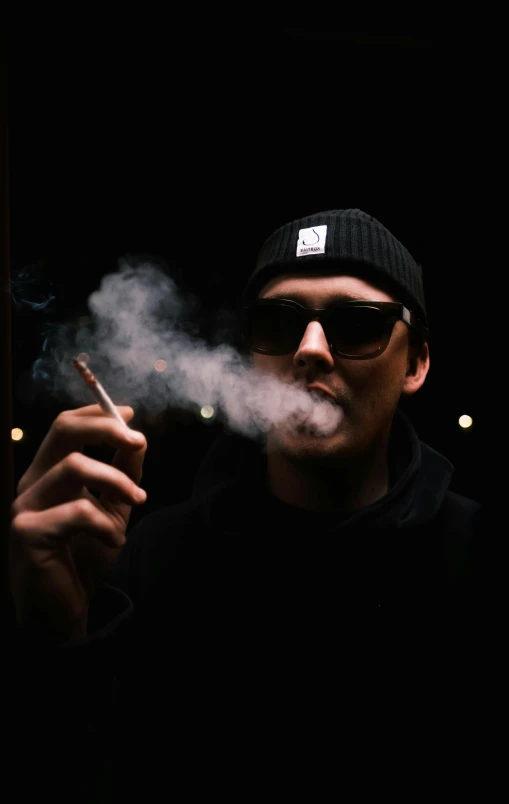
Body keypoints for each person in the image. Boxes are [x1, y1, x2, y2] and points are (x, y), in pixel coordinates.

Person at [7, 208, 493, 798]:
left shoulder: (482, 563)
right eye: (278, 323)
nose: (311, 350)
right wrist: (61, 639)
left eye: (357, 324)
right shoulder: (142, 565)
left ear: (415, 362)